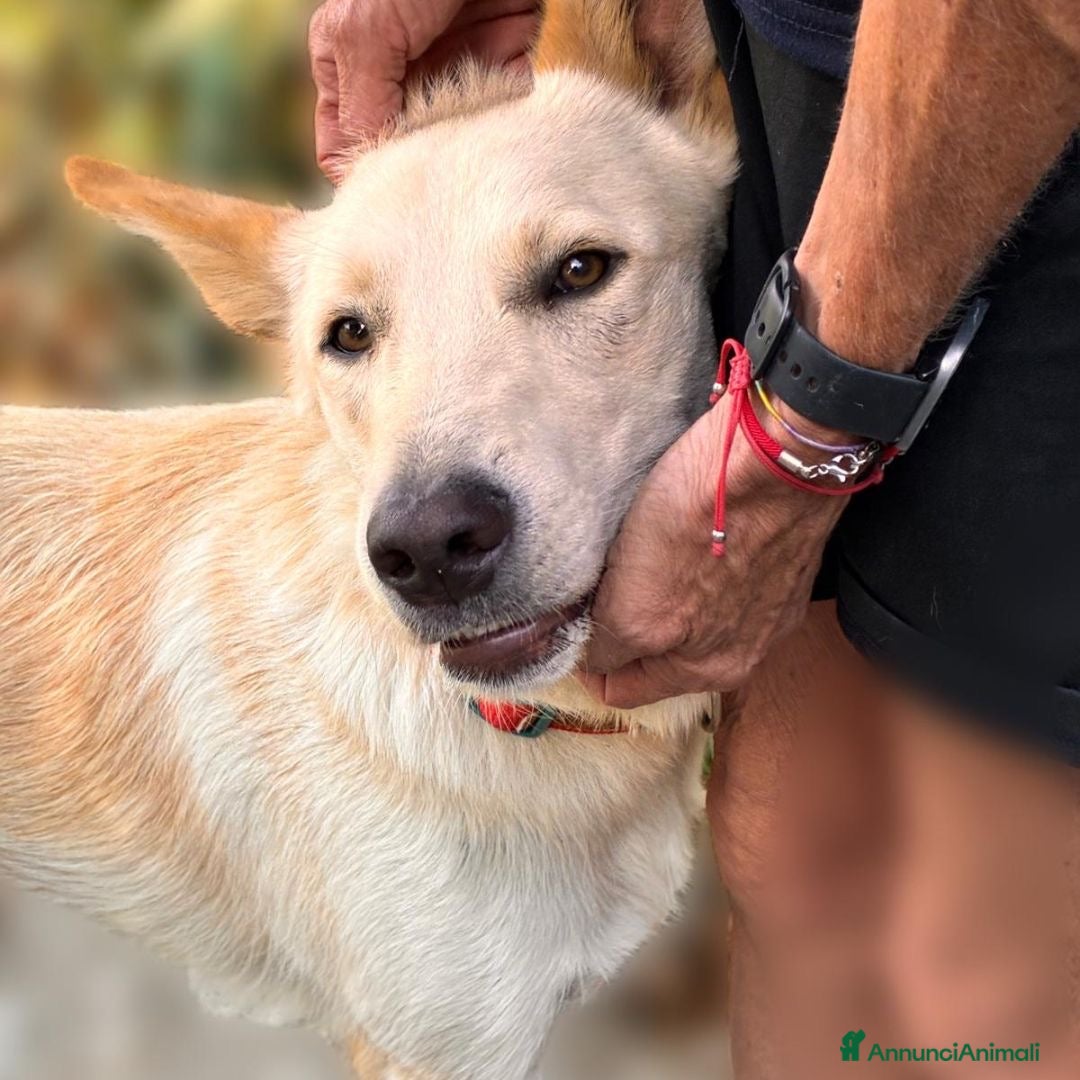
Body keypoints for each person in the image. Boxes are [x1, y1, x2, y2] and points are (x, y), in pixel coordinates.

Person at [309, 1, 1080, 1075]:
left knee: (990, 943)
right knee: (786, 843)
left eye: (571, 273)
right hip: (799, 55)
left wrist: (797, 438)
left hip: (1017, 77)